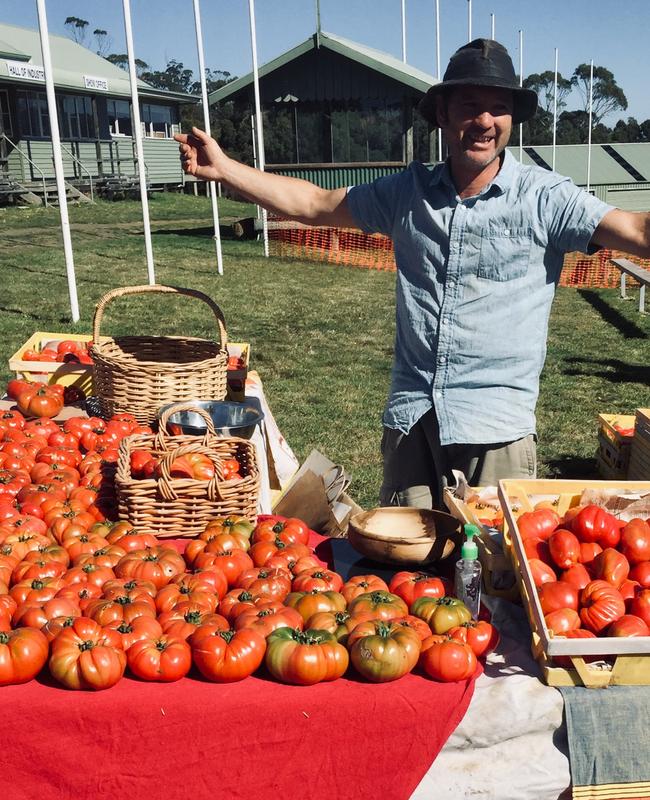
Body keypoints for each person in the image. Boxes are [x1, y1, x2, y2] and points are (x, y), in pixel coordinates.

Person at [176, 38, 650, 508]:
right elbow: (316, 205)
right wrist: (226, 169)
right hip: (413, 421)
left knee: (492, 574)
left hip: (496, 429)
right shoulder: (408, 192)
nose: (484, 120)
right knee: (404, 572)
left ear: (511, 119)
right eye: (470, 105)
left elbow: (634, 229)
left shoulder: (546, 198)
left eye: (498, 107)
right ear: (443, 114)